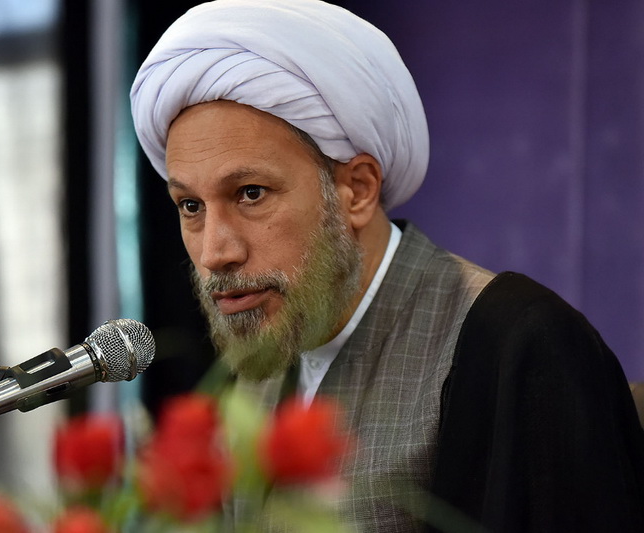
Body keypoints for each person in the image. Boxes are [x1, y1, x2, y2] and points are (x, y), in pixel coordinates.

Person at [130, 0, 644, 531]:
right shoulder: (263, 355)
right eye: (190, 206)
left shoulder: (519, 345)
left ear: (357, 190)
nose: (215, 252)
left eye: (251, 193)